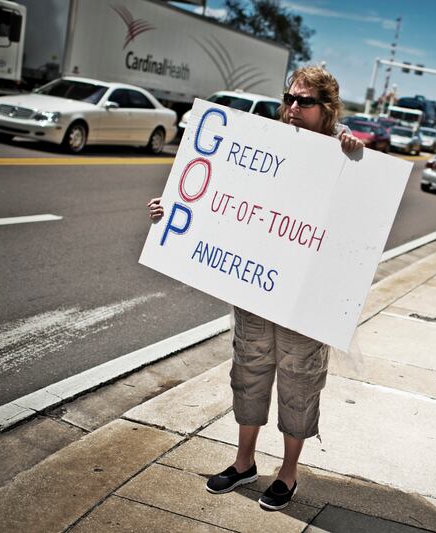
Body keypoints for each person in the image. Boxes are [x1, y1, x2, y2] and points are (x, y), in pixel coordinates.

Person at [148, 66, 363, 511]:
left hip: (305, 299)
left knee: (300, 384)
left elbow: (357, 228)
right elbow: (222, 200)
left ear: (328, 110)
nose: (293, 108)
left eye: (304, 102)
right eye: (289, 99)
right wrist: (169, 211)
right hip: (256, 291)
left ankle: (288, 473)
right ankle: (244, 462)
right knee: (249, 373)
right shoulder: (262, 145)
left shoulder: (347, 156)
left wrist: (353, 157)